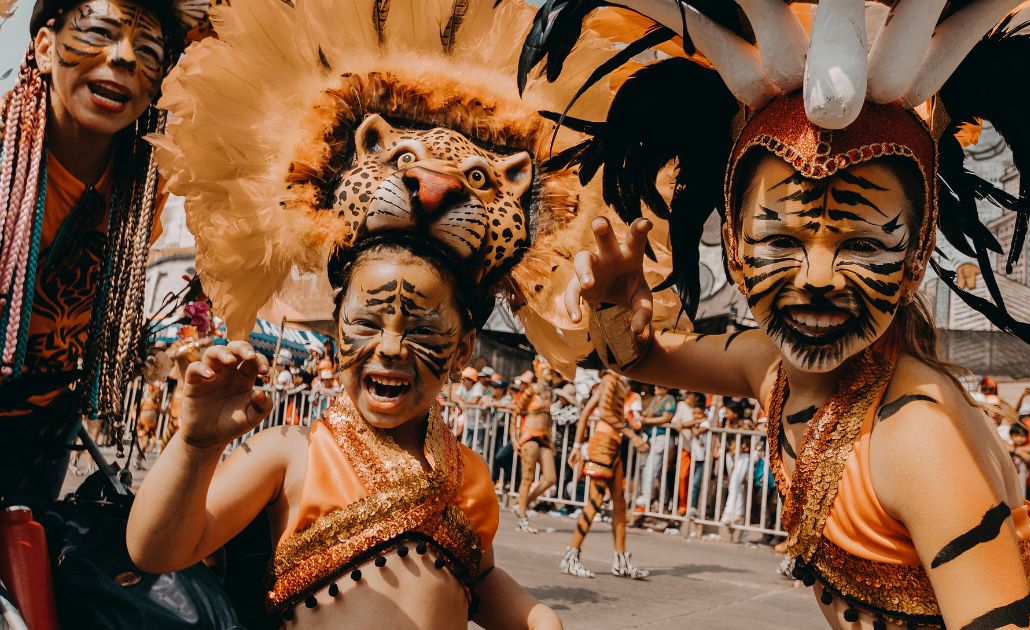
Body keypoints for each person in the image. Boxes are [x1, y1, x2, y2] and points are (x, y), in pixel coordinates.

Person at [530, 1, 1030, 625]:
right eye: (780, 241)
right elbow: (638, 360)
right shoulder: (771, 369)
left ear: (914, 260)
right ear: (733, 248)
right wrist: (617, 308)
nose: (817, 279)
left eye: (862, 245)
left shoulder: (916, 434)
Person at [127, 0, 636, 624]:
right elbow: (157, 550)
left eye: (422, 328)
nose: (391, 346)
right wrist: (195, 446)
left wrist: (533, 616)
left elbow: (480, 577)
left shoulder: (468, 474)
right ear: (337, 325)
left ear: (465, 347)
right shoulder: (291, 455)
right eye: (367, 322)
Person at [0, 0, 209, 503]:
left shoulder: (143, 188)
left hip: (44, 432)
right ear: (45, 48)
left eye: (149, 50)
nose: (124, 58)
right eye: (99, 32)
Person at [563, 370, 650, 579]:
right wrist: (632, 436)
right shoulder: (611, 379)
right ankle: (570, 557)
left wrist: (576, 446)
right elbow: (604, 413)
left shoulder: (609, 381)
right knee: (594, 503)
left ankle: (620, 560)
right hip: (603, 446)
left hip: (610, 446)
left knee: (620, 504)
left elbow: (585, 414)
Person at [512, 360, 557, 534]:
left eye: (550, 372)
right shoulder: (531, 390)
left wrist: (550, 440)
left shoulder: (549, 393)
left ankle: (522, 504)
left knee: (550, 478)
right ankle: (522, 518)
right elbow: (515, 412)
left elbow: (549, 419)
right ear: (538, 372)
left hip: (543, 439)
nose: (549, 374)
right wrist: (514, 437)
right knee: (527, 478)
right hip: (529, 436)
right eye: (546, 371)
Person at [634, 384, 676, 512]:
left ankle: (647, 499)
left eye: (660, 385)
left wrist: (646, 421)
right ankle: (663, 502)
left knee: (651, 470)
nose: (656, 387)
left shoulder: (669, 399)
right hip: (652, 437)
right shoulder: (655, 399)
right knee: (658, 474)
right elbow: (649, 413)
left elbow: (666, 418)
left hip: (662, 437)